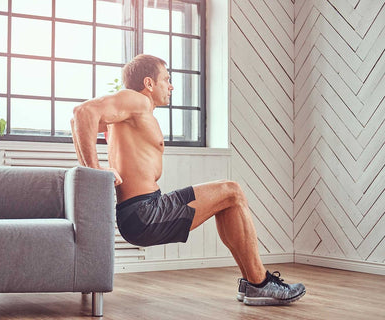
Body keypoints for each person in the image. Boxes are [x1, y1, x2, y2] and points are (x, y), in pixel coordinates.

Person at [70, 54, 305, 306]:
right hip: (144, 213)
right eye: (166, 79)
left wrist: (93, 169)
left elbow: (77, 121)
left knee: (230, 200)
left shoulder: (129, 114)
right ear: (149, 83)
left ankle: (253, 283)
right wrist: (94, 170)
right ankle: (260, 284)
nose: (170, 86)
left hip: (145, 209)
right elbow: (82, 112)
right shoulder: (135, 99)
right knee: (232, 190)